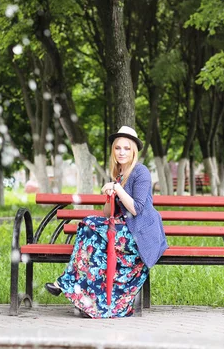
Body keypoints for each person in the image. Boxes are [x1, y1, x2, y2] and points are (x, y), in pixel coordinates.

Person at [44, 126, 168, 318]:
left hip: (141, 234)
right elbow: (108, 213)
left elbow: (137, 209)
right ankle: (90, 302)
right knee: (88, 229)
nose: (122, 152)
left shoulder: (140, 172)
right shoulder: (119, 174)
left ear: (134, 150)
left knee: (89, 227)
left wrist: (117, 188)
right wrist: (109, 195)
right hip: (124, 229)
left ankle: (66, 283)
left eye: (127, 148)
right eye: (118, 148)